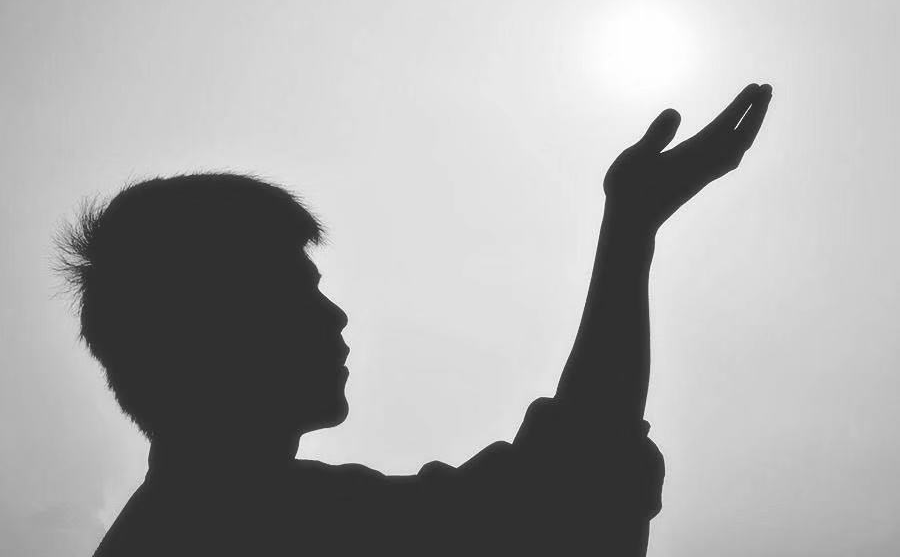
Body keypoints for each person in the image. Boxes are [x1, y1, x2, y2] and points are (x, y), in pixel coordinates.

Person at [57, 83, 772, 556]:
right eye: (295, 294)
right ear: (216, 332)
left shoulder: (255, 510)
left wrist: (633, 225)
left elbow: (553, 495)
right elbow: (564, 498)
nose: (335, 315)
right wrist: (632, 229)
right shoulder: (263, 527)